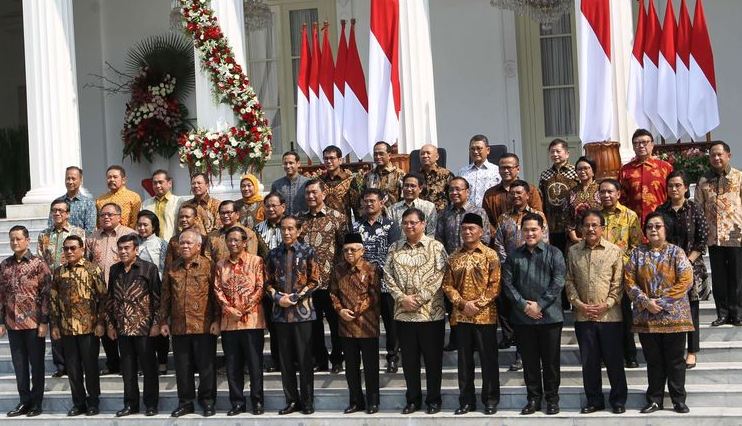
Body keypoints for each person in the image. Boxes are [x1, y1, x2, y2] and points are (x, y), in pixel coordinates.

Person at [624, 212, 694, 414]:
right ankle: (654, 399)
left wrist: (661, 302)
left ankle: (678, 399)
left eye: (658, 226)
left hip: (674, 316)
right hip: (647, 318)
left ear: (666, 229)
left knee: (675, 361)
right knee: (653, 361)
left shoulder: (676, 252)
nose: (653, 230)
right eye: (649, 227)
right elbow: (629, 281)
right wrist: (646, 302)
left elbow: (686, 281)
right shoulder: (637, 253)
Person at [384, 208, 448, 415]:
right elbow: (387, 275)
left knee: (432, 360)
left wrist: (418, 299)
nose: (409, 226)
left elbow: (440, 276)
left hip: (430, 314)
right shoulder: (395, 247)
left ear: (423, 224)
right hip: (404, 314)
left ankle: (433, 399)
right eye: (405, 223)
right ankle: (413, 399)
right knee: (409, 361)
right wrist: (402, 298)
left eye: (413, 222)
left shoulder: (436, 247)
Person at [501, 213, 565, 416]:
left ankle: (552, 400)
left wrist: (540, 305)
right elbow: (507, 285)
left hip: (550, 317)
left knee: (551, 362)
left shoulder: (554, 253)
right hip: (522, 319)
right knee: (529, 363)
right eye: (526, 230)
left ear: (542, 230)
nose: (530, 233)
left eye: (534, 229)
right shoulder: (514, 256)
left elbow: (559, 282)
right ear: (521, 232)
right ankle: (533, 399)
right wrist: (524, 306)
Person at [565, 210, 627, 414]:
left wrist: (607, 304)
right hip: (583, 316)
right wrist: (579, 304)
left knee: (614, 360)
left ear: (602, 228)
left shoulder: (614, 251)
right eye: (587, 225)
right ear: (581, 228)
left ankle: (618, 400)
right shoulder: (573, 251)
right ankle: (594, 400)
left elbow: (618, 283)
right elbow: (569, 281)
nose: (590, 229)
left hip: (610, 316)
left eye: (595, 225)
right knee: (589, 361)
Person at [442, 213, 501, 415]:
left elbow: (495, 285)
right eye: (464, 228)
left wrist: (478, 304)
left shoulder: (490, 255)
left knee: (488, 360)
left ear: (481, 231)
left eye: (471, 228)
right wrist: (462, 303)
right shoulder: (453, 257)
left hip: (485, 316)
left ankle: (490, 400)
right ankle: (466, 401)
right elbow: (447, 285)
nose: (467, 232)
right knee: (464, 362)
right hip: (461, 316)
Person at [159, 229, 219, 418]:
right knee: (182, 368)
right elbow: (165, 296)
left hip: (203, 324)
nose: (184, 246)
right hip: (179, 326)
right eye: (182, 243)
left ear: (199, 246)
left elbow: (216, 296)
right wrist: (162, 320)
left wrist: (217, 320)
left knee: (206, 367)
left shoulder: (209, 266)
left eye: (189, 243)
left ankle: (207, 401)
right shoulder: (173, 267)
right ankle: (185, 403)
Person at [265, 215, 320, 415]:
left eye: (290, 229)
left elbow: (315, 281)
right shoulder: (273, 254)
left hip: (302, 315)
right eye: (283, 229)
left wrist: (295, 297)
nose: (287, 232)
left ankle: (307, 401)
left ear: (298, 230)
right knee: (285, 361)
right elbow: (267, 282)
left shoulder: (307, 251)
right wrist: (278, 297)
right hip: (280, 314)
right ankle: (291, 400)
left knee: (305, 360)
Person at [657, 170, 709, 368]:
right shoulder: (661, 210)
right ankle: (672, 350)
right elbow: (657, 238)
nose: (674, 189)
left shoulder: (694, 209)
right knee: (670, 309)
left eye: (678, 185)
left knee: (691, 310)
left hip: (691, 265)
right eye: (670, 185)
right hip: (667, 268)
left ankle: (692, 351)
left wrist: (686, 261)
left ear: (686, 187)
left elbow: (702, 238)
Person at [50, 235, 106, 417]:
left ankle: (93, 402)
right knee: (73, 369)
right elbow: (53, 300)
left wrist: (100, 322)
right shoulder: (58, 272)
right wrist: (55, 325)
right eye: (66, 248)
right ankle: (78, 403)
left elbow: (103, 298)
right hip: (67, 328)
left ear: (82, 249)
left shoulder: (92, 269)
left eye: (73, 248)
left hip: (89, 327)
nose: (69, 251)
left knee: (90, 367)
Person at [106, 234, 160, 417]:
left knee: (149, 368)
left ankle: (151, 404)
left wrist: (156, 323)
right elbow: (110, 298)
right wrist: (111, 325)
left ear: (136, 249)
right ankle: (131, 404)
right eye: (120, 248)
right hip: (122, 327)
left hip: (144, 327)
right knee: (127, 369)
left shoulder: (148, 268)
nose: (123, 251)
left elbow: (157, 298)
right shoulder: (115, 270)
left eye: (126, 248)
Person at [213, 226, 266, 416]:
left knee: (254, 365)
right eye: (230, 240)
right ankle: (237, 403)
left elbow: (260, 287)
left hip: (252, 321)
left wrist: (242, 309)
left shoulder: (256, 261)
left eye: (237, 240)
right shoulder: (220, 265)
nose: (233, 243)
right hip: (229, 324)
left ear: (245, 243)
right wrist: (229, 309)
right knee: (233, 366)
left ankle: (257, 402)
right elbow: (217, 289)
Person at [0, 226, 51, 418]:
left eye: (18, 239)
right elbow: (1, 295)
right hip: (12, 323)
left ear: (27, 240)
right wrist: (1, 321)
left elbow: (46, 294)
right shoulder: (5, 265)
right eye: (12, 239)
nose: (15, 242)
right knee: (19, 365)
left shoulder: (39, 263)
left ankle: (36, 403)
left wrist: (44, 321)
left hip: (33, 322)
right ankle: (24, 401)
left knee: (36, 364)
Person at [299, 179, 348, 373]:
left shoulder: (338, 218)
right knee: (314, 325)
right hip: (308, 284)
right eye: (308, 193)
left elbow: (345, 248)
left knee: (335, 324)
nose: (311, 196)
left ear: (323, 193)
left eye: (314, 192)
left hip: (330, 282)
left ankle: (337, 359)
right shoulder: (300, 220)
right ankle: (320, 359)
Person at [329, 233, 381, 414]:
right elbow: (333, 293)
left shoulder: (372, 268)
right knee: (351, 368)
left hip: (367, 325)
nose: (349, 252)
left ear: (362, 250)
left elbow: (374, 295)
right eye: (345, 250)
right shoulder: (338, 269)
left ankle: (373, 402)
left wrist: (356, 310)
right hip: (346, 326)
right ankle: (355, 401)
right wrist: (340, 310)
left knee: (371, 366)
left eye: (353, 249)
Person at [352, 188, 402, 373]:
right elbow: (352, 252)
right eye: (365, 201)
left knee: (391, 323)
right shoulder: (356, 227)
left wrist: (375, 270)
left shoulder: (391, 225)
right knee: (367, 324)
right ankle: (369, 359)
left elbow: (394, 251)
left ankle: (392, 357)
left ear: (382, 203)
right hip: (363, 285)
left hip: (387, 284)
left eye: (373, 200)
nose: (369, 204)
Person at [695, 142, 742, 327]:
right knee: (720, 277)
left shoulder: (738, 177)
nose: (716, 158)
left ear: (728, 156)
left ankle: (737, 313)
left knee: (737, 277)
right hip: (714, 236)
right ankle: (722, 313)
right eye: (713, 155)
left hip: (736, 235)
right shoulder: (703, 180)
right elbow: (699, 209)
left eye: (720, 154)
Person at [37, 199, 86, 378]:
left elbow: (84, 256)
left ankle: (78, 362)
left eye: (61, 210)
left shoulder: (78, 232)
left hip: (74, 283)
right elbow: (40, 260)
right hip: (52, 285)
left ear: (68, 214)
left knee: (74, 322)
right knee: (55, 322)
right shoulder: (44, 235)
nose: (57, 213)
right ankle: (60, 364)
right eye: (54, 210)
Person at [87, 202, 136, 376]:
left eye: (110, 214)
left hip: (125, 290)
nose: (106, 217)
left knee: (126, 327)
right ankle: (113, 363)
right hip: (101, 291)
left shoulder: (130, 234)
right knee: (107, 326)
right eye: (102, 215)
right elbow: (88, 262)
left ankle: (130, 364)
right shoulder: (92, 237)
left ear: (119, 217)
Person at [599, 179, 643, 369]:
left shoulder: (630, 216)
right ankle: (604, 354)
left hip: (623, 274)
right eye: (602, 192)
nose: (606, 195)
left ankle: (630, 354)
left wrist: (620, 261)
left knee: (625, 314)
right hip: (599, 273)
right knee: (603, 316)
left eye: (610, 192)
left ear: (618, 193)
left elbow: (636, 245)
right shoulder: (595, 217)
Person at [254, 192, 286, 372]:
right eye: (268, 206)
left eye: (274, 205)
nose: (271, 209)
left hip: (291, 283)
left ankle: (297, 360)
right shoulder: (257, 230)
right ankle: (277, 360)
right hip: (268, 284)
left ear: (283, 207)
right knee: (274, 325)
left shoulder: (291, 226)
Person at [135, 210, 170, 376]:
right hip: (137, 293)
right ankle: (144, 363)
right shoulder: (133, 244)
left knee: (160, 326)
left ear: (154, 226)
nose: (142, 228)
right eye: (139, 225)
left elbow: (164, 267)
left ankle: (162, 363)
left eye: (145, 225)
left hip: (157, 290)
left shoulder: (162, 244)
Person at [618, 128, 674, 226]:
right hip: (633, 224)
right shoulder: (625, 170)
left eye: (644, 142)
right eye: (636, 143)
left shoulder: (665, 168)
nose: (641, 146)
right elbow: (621, 198)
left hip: (661, 223)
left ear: (652, 145)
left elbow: (672, 195)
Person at [538, 139, 579, 254]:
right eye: (552, 152)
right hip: (552, 224)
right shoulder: (545, 174)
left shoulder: (576, 172)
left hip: (571, 223)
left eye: (558, 151)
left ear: (567, 153)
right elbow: (541, 197)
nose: (555, 154)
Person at [482, 153, 543, 232]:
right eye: (502, 168)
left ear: (518, 169)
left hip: (527, 238)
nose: (505, 171)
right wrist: (497, 235)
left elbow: (538, 216)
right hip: (499, 240)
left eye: (509, 168)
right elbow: (486, 220)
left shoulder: (531, 190)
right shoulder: (490, 194)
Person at [436, 176, 491, 254]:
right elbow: (439, 239)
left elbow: (485, 238)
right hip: (450, 261)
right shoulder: (444, 213)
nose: (454, 193)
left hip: (474, 260)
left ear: (467, 192)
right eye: (451, 190)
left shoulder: (478, 212)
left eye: (458, 189)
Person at [49, 166, 97, 235]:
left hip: (80, 243)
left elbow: (90, 229)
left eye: (73, 179)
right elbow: (51, 224)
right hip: (58, 241)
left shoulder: (89, 203)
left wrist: (76, 241)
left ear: (81, 181)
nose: (70, 182)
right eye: (68, 178)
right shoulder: (57, 202)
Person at [565, 156, 602, 246]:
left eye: (586, 168)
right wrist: (574, 238)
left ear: (593, 171)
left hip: (599, 237)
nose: (582, 171)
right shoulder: (571, 192)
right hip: (576, 240)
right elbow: (567, 217)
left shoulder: (601, 190)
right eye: (579, 169)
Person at [388, 173, 437, 237]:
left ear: (420, 189)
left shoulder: (429, 207)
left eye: (412, 186)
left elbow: (431, 233)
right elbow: (391, 234)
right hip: (399, 246)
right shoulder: (392, 209)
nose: (409, 189)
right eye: (406, 185)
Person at [320, 145, 361, 223]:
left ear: (340, 160)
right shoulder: (319, 181)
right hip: (324, 227)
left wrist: (358, 228)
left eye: (332, 158)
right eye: (326, 158)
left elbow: (357, 207)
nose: (328, 161)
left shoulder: (349, 180)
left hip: (344, 226)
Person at [458, 134, 501, 207]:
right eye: (472, 149)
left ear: (488, 150)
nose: (475, 152)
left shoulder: (497, 171)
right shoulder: (462, 172)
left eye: (479, 148)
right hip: (468, 215)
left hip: (490, 214)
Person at [140, 169, 182, 241]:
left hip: (172, 246)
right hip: (151, 247)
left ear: (169, 183)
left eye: (160, 182)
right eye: (155, 183)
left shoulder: (178, 202)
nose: (157, 185)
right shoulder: (145, 205)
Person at [362, 141, 405, 208]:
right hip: (373, 216)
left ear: (389, 155)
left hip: (393, 215)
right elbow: (363, 197)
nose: (378, 157)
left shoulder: (399, 174)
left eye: (381, 154)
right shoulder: (368, 176)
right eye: (375, 154)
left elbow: (404, 199)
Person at [164, 204, 206, 269]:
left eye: (187, 217)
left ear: (195, 219)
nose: (183, 219)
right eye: (181, 217)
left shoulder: (203, 239)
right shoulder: (174, 240)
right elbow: (168, 264)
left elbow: (207, 262)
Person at [418, 143, 453, 212]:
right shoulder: (415, 176)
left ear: (437, 157)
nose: (425, 156)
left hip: (440, 217)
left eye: (428, 153)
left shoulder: (446, 175)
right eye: (422, 154)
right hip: (419, 217)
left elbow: (453, 198)